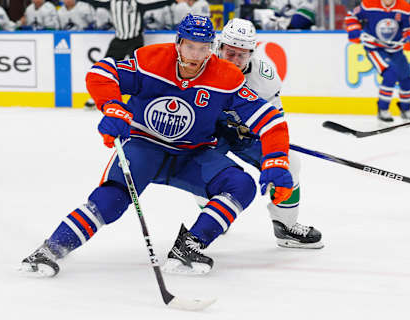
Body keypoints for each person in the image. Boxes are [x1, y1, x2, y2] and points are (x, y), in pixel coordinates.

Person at [21, 14, 294, 277]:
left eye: (203, 49)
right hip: (144, 148)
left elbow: (270, 120)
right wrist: (112, 107)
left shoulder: (226, 77)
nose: (196, 56)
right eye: (190, 47)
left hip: (192, 155)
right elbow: (102, 71)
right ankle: (50, 250)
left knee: (240, 186)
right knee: (110, 201)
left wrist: (277, 159)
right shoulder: (151, 60)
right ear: (178, 43)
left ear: (212, 48)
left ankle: (189, 247)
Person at [191, 18, 323, 250]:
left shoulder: (265, 77)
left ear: (251, 53)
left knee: (290, 162)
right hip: (208, 134)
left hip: (244, 135)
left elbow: (274, 120)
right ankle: (210, 211)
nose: (235, 60)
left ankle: (286, 226)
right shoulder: (199, 65)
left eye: (242, 55)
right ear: (219, 47)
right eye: (230, 53)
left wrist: (265, 139)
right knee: (200, 166)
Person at [345, 0, 410, 123]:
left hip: (395, 49)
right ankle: (383, 109)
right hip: (375, 48)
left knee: (406, 78)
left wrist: (409, 38)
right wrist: (354, 30)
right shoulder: (369, 4)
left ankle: (406, 110)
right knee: (390, 74)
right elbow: (351, 15)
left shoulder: (405, 8)